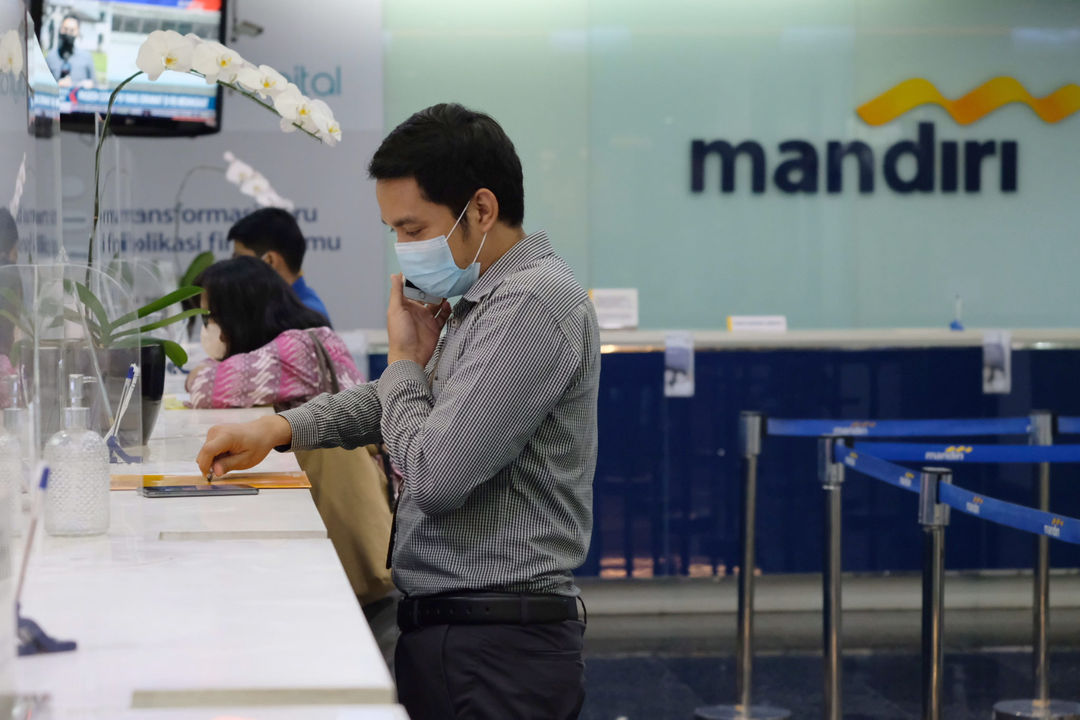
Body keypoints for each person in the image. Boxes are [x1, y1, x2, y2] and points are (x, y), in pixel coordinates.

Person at [196, 102, 601, 719]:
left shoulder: (536, 304)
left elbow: (436, 474)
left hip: (497, 646)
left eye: (413, 230)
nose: (403, 249)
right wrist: (280, 427)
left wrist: (407, 359)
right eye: (394, 232)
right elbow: (397, 400)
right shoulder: (477, 300)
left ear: (482, 211)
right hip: (459, 633)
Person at [185, 256, 358, 409]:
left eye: (213, 317)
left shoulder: (296, 350)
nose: (210, 327)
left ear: (240, 314)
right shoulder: (300, 339)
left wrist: (196, 374)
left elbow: (206, 388)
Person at [228, 207, 331, 324]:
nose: (234, 267)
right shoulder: (275, 310)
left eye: (240, 260)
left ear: (270, 261)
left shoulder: (303, 322)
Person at [45, 15, 95, 89]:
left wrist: (86, 85)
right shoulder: (50, 57)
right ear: (60, 30)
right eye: (65, 29)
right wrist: (57, 85)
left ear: (77, 32)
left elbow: (96, 86)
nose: (68, 33)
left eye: (72, 30)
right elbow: (43, 87)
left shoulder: (86, 57)